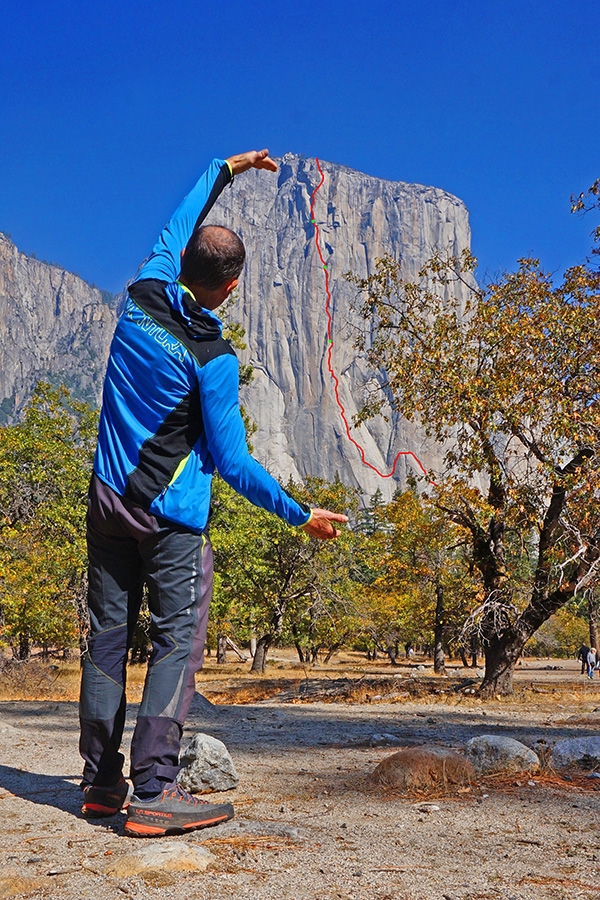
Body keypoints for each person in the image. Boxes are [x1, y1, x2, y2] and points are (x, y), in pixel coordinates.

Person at [79, 149, 348, 837]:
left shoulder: (141, 292)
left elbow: (179, 219)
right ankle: (155, 793)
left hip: (107, 502)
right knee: (174, 645)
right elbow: (233, 463)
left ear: (182, 265)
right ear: (227, 288)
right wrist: (300, 513)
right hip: (168, 521)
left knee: (107, 641)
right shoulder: (212, 357)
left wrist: (224, 168)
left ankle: (100, 784)